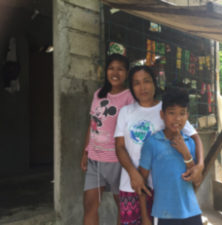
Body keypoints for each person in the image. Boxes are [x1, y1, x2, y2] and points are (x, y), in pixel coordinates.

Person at [114, 66, 204, 225]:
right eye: (136, 83)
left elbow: (195, 138)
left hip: (161, 189)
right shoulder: (126, 112)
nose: (142, 87)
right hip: (131, 184)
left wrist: (200, 165)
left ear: (154, 83)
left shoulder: (169, 109)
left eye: (146, 81)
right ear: (131, 87)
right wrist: (133, 173)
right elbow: (119, 147)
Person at [80, 53, 134, 225]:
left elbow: (131, 130)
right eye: (111, 68)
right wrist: (85, 151)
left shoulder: (129, 97)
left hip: (118, 160)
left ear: (127, 73)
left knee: (123, 207)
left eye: (120, 69)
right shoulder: (98, 94)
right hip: (95, 159)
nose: (115, 72)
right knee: (89, 206)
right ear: (106, 71)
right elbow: (92, 124)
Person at [139, 87, 203, 225]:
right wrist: (144, 217)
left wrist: (185, 152)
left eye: (182, 113)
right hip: (164, 214)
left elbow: (197, 181)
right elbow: (141, 184)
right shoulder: (152, 143)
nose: (177, 118)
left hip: (192, 212)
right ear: (162, 115)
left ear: (187, 116)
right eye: (172, 113)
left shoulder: (190, 143)